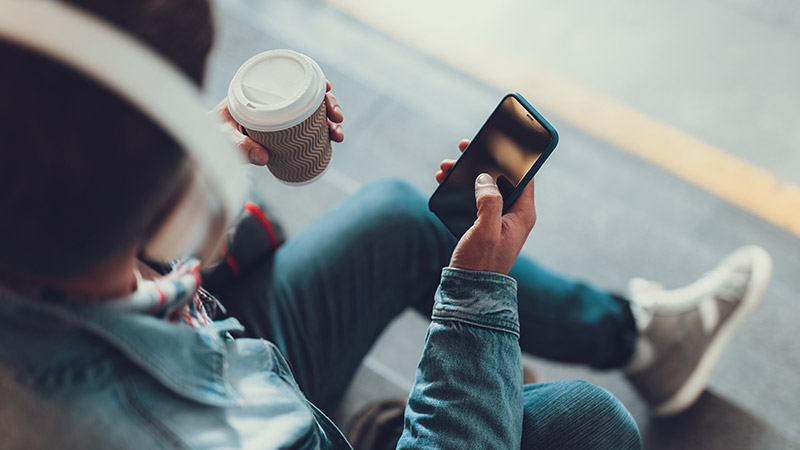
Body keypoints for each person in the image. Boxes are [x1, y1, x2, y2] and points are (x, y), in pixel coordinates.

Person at [0, 1, 770, 449]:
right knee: (588, 425)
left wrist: (157, 160)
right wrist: (474, 300)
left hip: (206, 344)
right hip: (247, 408)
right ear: (174, 203)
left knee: (402, 218)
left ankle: (637, 337)